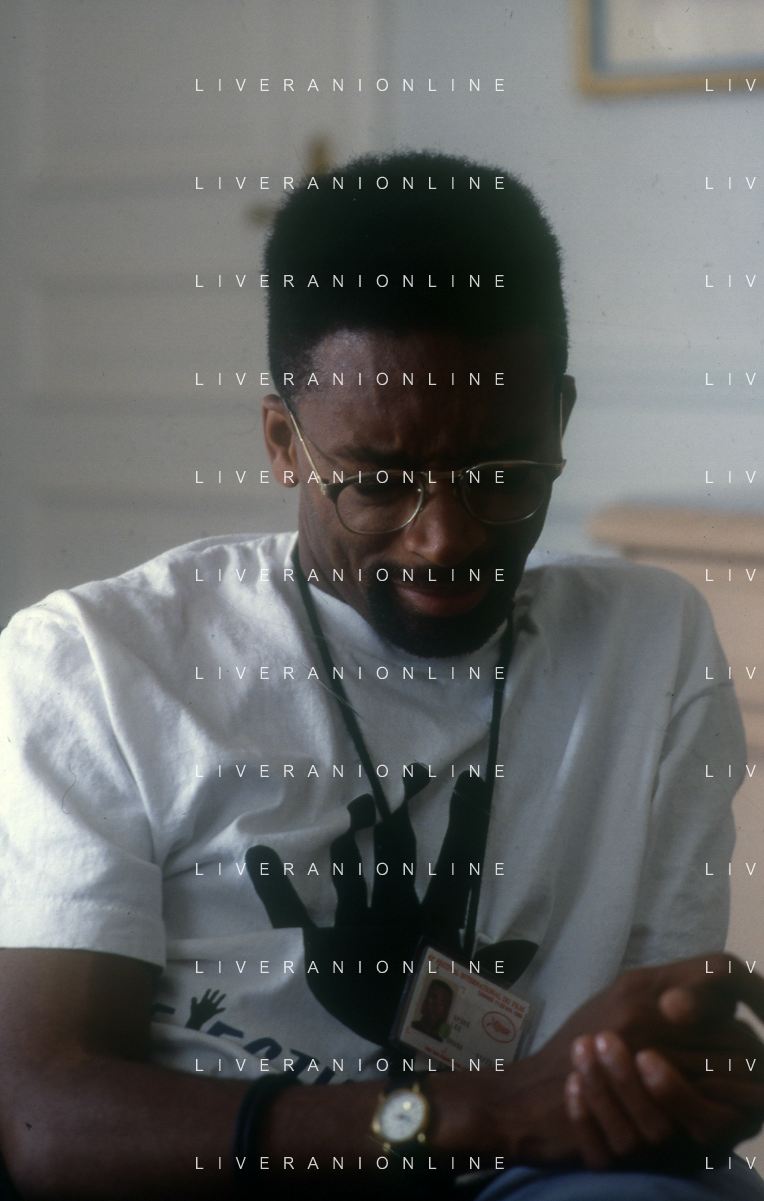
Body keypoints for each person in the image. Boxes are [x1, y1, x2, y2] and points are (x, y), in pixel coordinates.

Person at [1, 150, 763, 1201]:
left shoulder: (649, 642)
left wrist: (678, 1080)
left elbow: (644, 1050)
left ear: (559, 422)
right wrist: (476, 1112)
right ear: (283, 443)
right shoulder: (99, 663)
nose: (445, 538)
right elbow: (45, 1117)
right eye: (378, 483)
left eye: (502, 475)